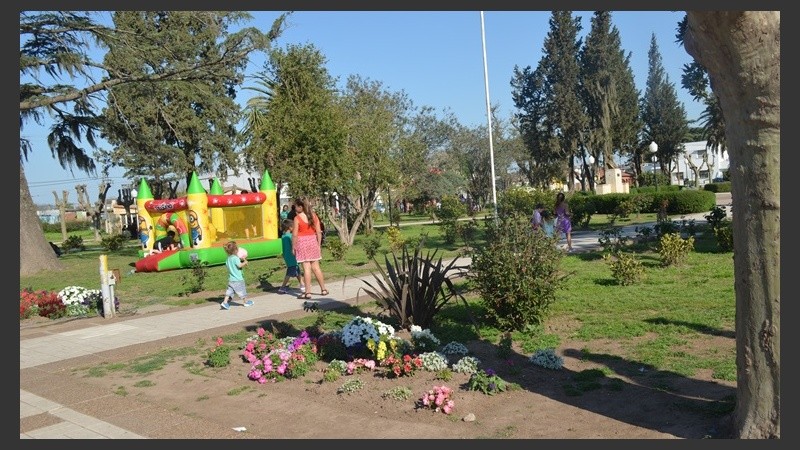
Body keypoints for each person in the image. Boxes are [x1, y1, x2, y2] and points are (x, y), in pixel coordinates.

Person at [292, 198, 328, 300]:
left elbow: (294, 235)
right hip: (313, 241)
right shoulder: (314, 216)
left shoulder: (297, 218)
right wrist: (318, 244)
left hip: (302, 243)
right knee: (316, 268)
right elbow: (318, 232)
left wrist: (293, 247)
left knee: (306, 268)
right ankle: (323, 289)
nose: (295, 208)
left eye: (296, 206)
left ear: (301, 207)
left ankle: (308, 292)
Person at [220, 240, 252, 310]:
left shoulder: (228, 259)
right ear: (236, 250)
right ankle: (246, 302)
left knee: (229, 292)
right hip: (238, 279)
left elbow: (230, 266)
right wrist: (245, 262)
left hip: (231, 279)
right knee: (242, 291)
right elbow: (239, 265)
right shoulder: (235, 258)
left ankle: (225, 302)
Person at [278, 219, 305, 294]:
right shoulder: (290, 236)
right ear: (290, 227)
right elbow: (294, 245)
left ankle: (302, 284)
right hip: (292, 256)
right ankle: (282, 287)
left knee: (297, 270)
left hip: (287, 256)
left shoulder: (283, 236)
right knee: (290, 271)